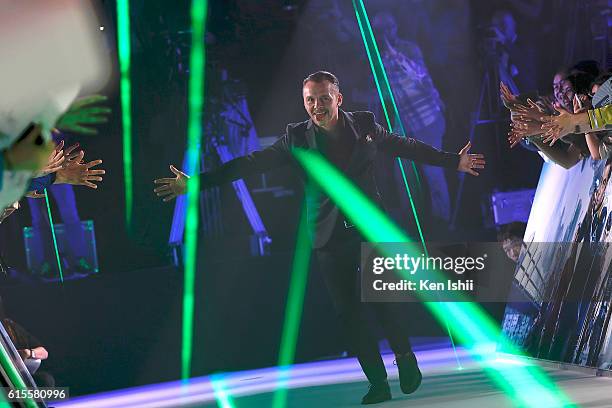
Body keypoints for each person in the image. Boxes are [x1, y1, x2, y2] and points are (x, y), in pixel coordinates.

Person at [153, 71, 485, 404]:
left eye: (324, 98)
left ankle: (405, 358)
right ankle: (378, 382)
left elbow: (404, 146)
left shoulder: (366, 124)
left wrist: (453, 161)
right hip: (329, 235)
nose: (317, 106)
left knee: (384, 301)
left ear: (338, 98)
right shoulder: (296, 138)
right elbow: (250, 163)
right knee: (348, 312)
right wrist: (195, 183)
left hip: (371, 228)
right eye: (310, 100)